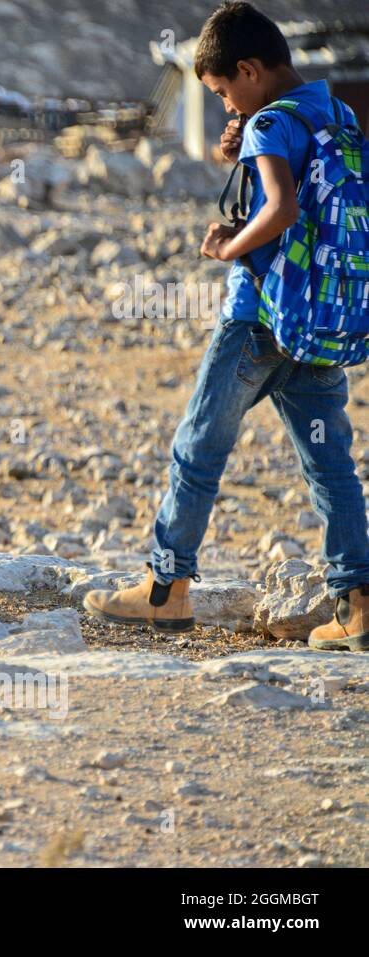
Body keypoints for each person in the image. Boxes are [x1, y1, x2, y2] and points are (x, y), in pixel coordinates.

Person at [83, 2, 369, 650]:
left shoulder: (270, 122)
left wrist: (229, 246)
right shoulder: (336, 112)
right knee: (329, 461)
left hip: (260, 316)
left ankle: (166, 588)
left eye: (221, 92)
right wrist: (246, 137)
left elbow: (282, 206)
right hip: (320, 319)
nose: (222, 106)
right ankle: (357, 603)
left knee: (199, 444)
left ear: (247, 69)